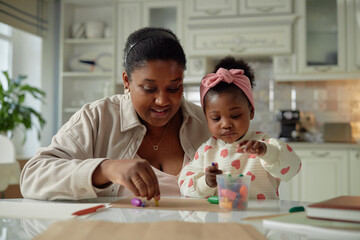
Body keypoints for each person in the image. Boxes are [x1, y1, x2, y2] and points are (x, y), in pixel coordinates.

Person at [20, 27, 210, 201]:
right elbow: (32, 176)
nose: (162, 100)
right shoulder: (97, 118)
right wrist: (105, 169)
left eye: (174, 88)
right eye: (149, 88)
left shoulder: (208, 122)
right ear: (126, 81)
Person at [178, 57, 301, 200]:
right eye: (216, 118)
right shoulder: (206, 151)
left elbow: (292, 168)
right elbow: (184, 185)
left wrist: (267, 153)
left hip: (261, 218)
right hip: (222, 220)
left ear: (251, 111)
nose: (225, 124)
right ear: (206, 119)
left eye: (235, 115)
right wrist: (206, 183)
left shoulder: (264, 143)